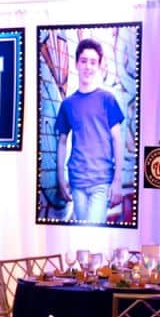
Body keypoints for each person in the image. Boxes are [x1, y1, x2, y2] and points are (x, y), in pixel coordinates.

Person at [54, 38, 125, 224]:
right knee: (82, 233)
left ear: (99, 66)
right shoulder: (68, 104)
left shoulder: (107, 100)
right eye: (84, 61)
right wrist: (61, 178)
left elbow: (117, 140)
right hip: (77, 181)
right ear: (77, 64)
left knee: (93, 231)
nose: (88, 66)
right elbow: (62, 142)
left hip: (101, 181)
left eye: (93, 62)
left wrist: (117, 181)